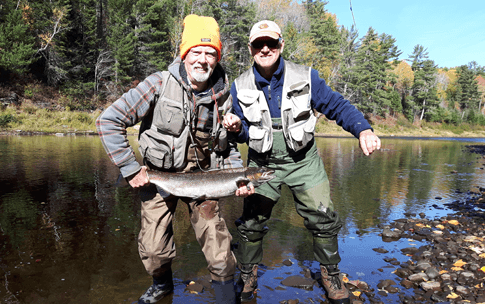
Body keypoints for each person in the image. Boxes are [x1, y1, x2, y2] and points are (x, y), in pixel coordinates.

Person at [96, 14, 254, 304]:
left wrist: (236, 179)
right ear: (184, 54)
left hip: (204, 179)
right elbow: (109, 121)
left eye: (211, 53)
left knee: (220, 251)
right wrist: (131, 169)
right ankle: (162, 285)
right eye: (197, 51)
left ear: (218, 58)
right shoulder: (158, 84)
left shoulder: (223, 95)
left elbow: (228, 146)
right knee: (154, 250)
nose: (203, 60)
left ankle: (224, 296)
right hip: (159, 177)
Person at [222, 20, 381, 304]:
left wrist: (362, 128)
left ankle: (331, 275)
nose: (265, 48)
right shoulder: (239, 85)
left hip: (304, 161)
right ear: (251, 49)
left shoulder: (306, 77)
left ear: (281, 45)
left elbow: (336, 105)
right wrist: (235, 128)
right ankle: (247, 273)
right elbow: (241, 134)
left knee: (323, 219)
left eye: (271, 42)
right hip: (262, 163)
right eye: (259, 44)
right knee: (251, 223)